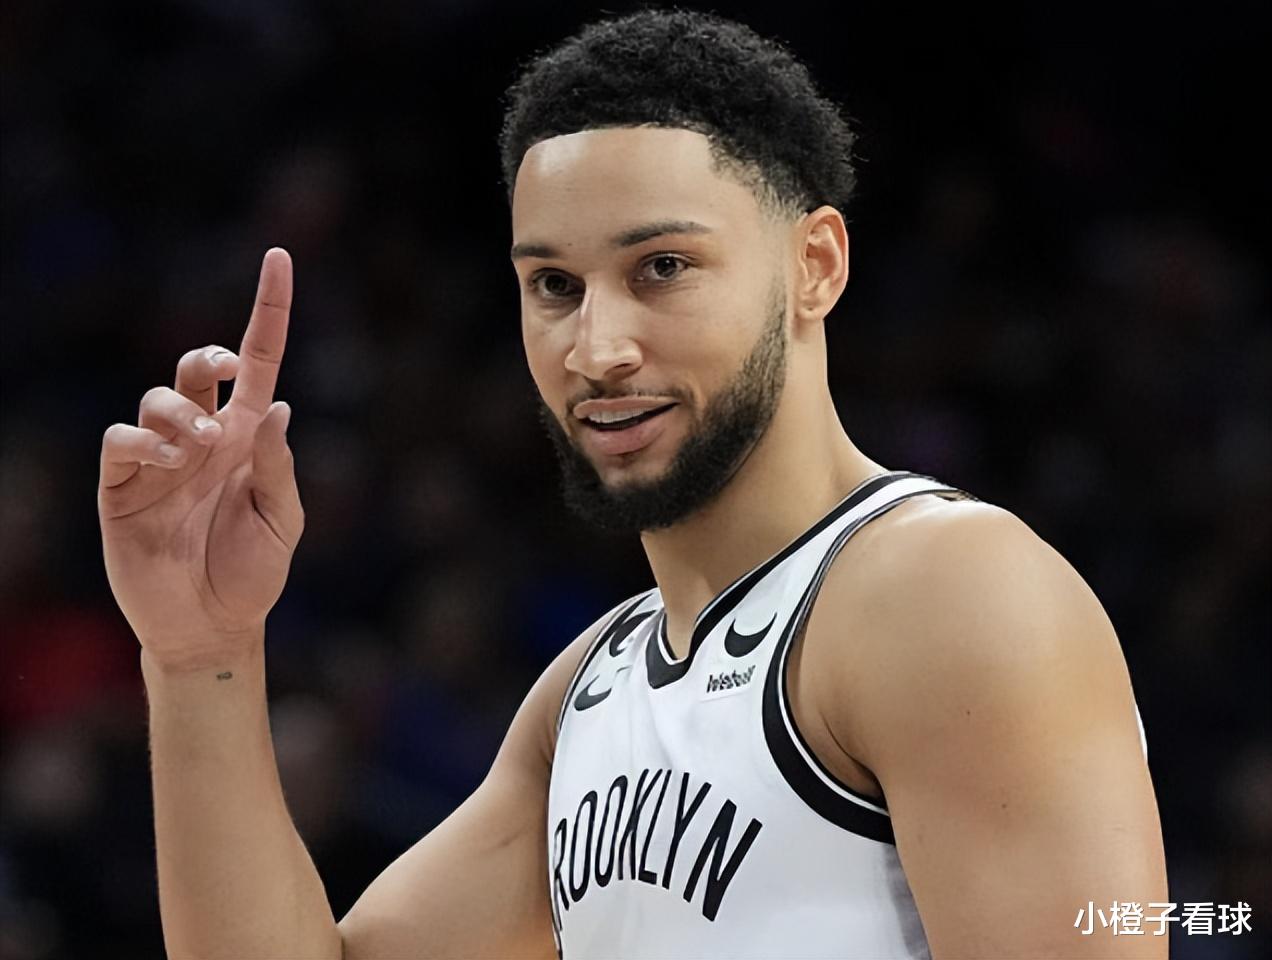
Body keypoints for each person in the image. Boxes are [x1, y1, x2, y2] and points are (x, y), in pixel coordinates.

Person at [97, 10, 1167, 959]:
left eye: (662, 267)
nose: (596, 347)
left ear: (816, 265)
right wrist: (199, 656)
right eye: (554, 284)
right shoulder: (591, 689)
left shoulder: (948, 592)